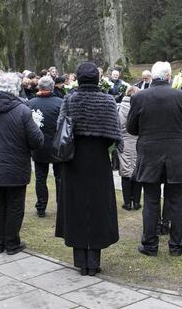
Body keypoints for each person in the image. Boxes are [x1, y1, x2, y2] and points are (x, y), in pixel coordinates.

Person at [55, 62, 122, 276]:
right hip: (98, 162)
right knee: (97, 208)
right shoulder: (108, 101)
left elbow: (61, 129)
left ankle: (81, 262)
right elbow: (115, 136)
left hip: (74, 160)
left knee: (75, 208)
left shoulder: (70, 100)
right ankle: (93, 261)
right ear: (97, 79)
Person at [127, 61, 182, 257]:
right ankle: (176, 245)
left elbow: (131, 128)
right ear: (168, 77)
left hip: (150, 154)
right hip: (176, 154)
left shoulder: (140, 97)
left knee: (151, 201)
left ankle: (150, 245)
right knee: (176, 202)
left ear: (153, 77)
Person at [0, 73, 44, 254]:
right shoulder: (22, 111)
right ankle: (11, 243)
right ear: (15, 89)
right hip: (15, 166)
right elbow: (37, 141)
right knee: (14, 205)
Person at [27, 76, 64, 217]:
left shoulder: (30, 104)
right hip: (56, 146)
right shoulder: (60, 103)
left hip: (39, 146)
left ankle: (41, 206)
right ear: (52, 87)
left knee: (40, 178)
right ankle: (61, 205)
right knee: (59, 178)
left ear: (39, 87)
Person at [117, 86, 142, 210]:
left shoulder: (119, 108)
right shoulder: (141, 107)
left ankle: (127, 202)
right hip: (138, 142)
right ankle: (136, 202)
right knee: (137, 171)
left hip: (124, 142)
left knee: (125, 172)